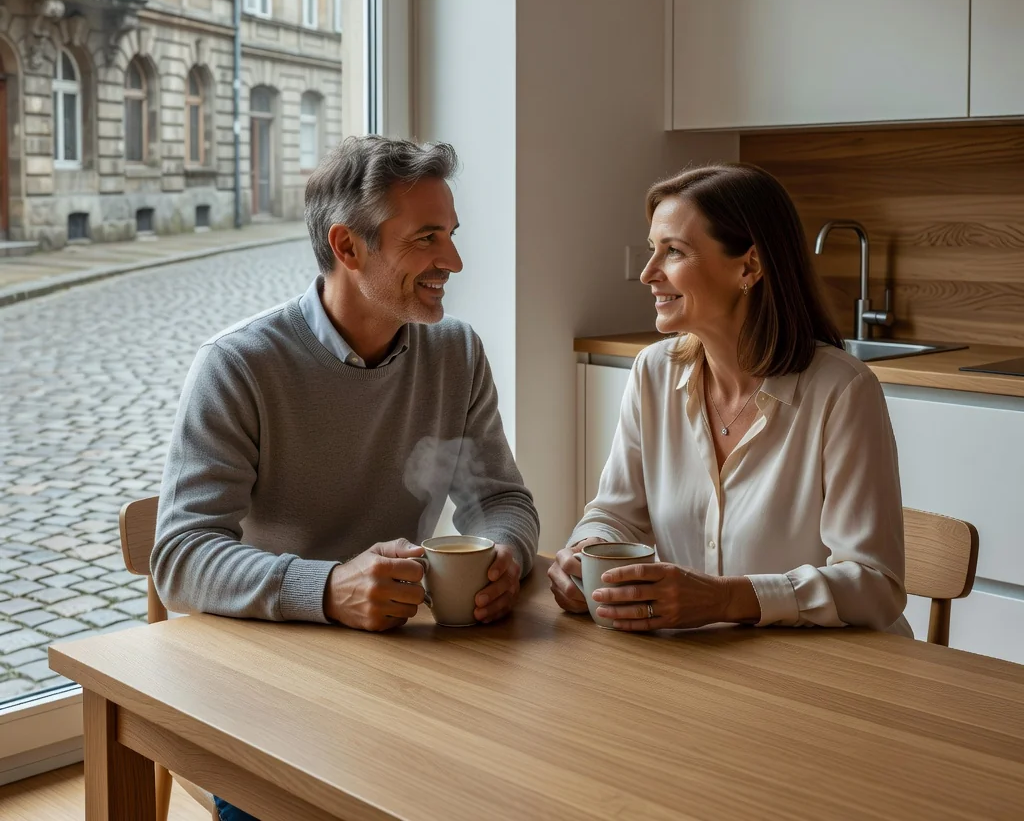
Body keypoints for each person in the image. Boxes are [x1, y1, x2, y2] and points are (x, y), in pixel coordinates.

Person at [151, 136, 539, 821]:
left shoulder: (456, 352)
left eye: (449, 235)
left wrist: (506, 552)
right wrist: (328, 588)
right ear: (348, 246)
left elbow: (500, 499)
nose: (453, 261)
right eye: (426, 239)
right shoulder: (239, 366)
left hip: (404, 672)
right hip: (265, 683)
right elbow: (180, 560)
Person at [548, 163, 910, 636]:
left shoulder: (842, 390)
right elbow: (616, 514)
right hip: (705, 668)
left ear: (749, 266)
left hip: (831, 674)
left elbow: (874, 584)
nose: (647, 273)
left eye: (673, 251)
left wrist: (725, 598)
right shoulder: (654, 373)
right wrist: (587, 551)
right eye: (651, 250)